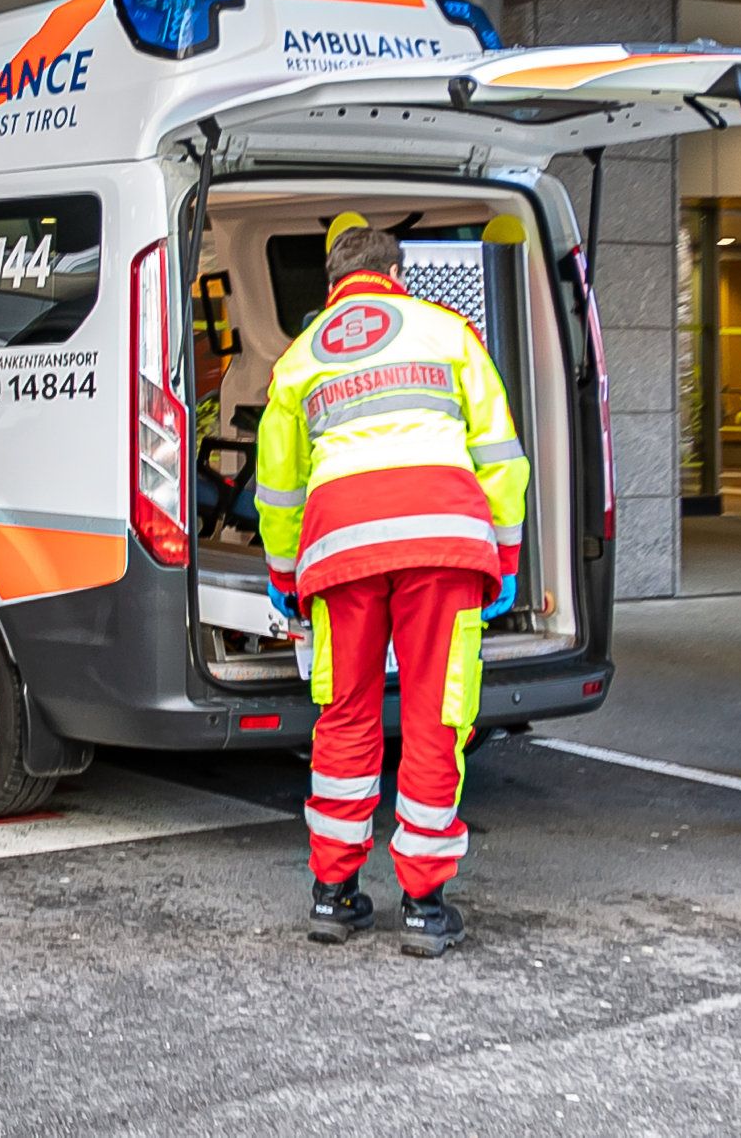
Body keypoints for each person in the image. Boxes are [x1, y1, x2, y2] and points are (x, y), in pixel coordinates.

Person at [256, 221, 530, 958]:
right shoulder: (448, 332)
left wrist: (286, 574)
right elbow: (501, 454)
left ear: (332, 285)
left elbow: (278, 486)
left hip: (341, 548)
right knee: (436, 716)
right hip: (442, 542)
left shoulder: (298, 358)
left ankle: (334, 896)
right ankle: (423, 906)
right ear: (396, 276)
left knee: (345, 714)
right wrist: (503, 557)